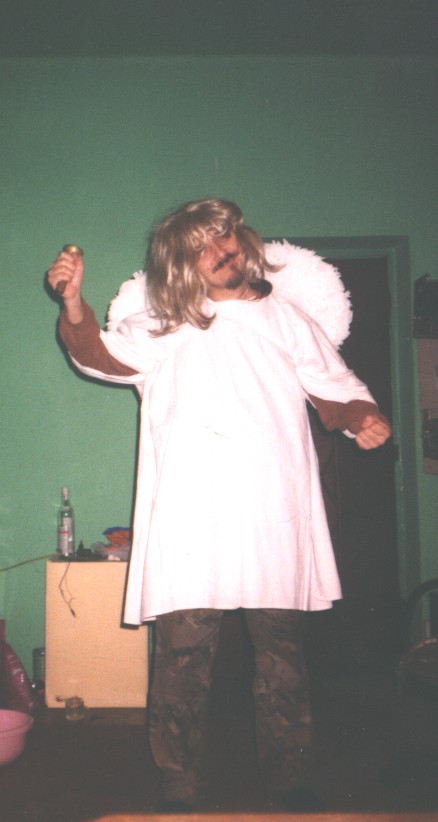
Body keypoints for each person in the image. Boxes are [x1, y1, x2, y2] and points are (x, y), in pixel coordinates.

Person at [47, 198, 391, 812]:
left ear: (242, 237)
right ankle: (180, 782)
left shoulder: (287, 319)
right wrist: (73, 303)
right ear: (183, 265)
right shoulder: (162, 325)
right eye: (200, 246)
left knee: (283, 658)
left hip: (273, 515)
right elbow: (97, 353)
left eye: (223, 234)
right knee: (182, 662)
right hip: (192, 519)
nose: (219, 248)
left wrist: (362, 417)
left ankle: (290, 778)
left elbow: (334, 387)